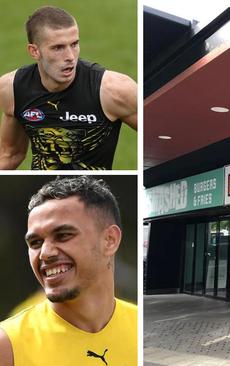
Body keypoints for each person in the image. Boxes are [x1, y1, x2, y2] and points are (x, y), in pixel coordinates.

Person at [0, 176, 136, 365]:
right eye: (35, 243)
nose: (45, 254)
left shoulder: (139, 326)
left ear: (110, 240)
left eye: (63, 235)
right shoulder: (8, 345)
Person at [0, 6, 137, 170]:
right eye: (58, 48)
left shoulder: (113, 90)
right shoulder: (12, 89)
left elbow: (159, 131)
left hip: (90, 191)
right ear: (34, 51)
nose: (70, 57)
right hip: (43, 190)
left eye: (74, 44)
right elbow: (10, 154)